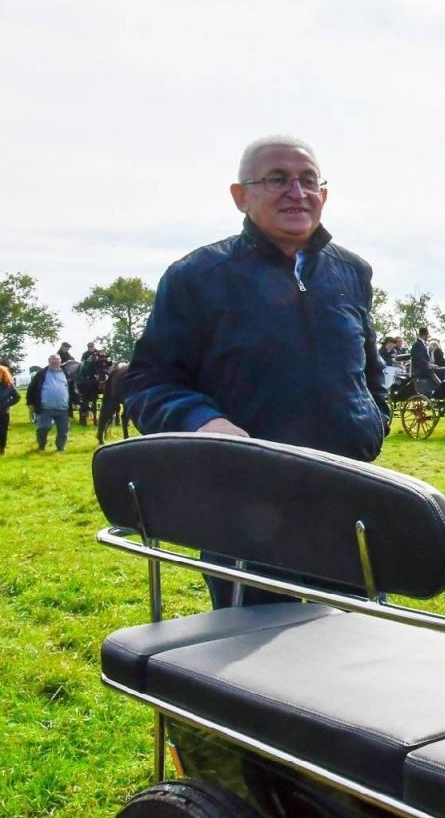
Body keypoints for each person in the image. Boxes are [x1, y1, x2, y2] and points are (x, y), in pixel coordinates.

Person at [125, 134, 389, 606]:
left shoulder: (353, 272)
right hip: (246, 505)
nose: (297, 192)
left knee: (361, 639)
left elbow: (368, 366)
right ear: (240, 196)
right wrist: (203, 423)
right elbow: (148, 380)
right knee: (258, 643)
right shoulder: (196, 276)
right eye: (277, 179)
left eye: (308, 180)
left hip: (347, 494)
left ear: (324, 194)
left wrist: (373, 420)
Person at [26, 353, 72, 451]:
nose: (55, 364)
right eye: (53, 362)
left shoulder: (66, 373)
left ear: (60, 362)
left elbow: (72, 388)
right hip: (45, 408)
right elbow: (31, 388)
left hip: (63, 408)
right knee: (43, 427)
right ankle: (41, 445)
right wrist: (30, 403)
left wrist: (76, 402)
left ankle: (60, 448)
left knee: (64, 429)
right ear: (49, 362)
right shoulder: (41, 373)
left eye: (57, 362)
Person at [409, 327, 436, 396]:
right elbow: (418, 358)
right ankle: (437, 388)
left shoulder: (423, 344)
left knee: (439, 370)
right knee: (432, 372)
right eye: (427, 334)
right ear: (424, 335)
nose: (428, 336)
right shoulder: (417, 345)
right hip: (419, 369)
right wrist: (428, 364)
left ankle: (437, 388)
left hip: (423, 368)